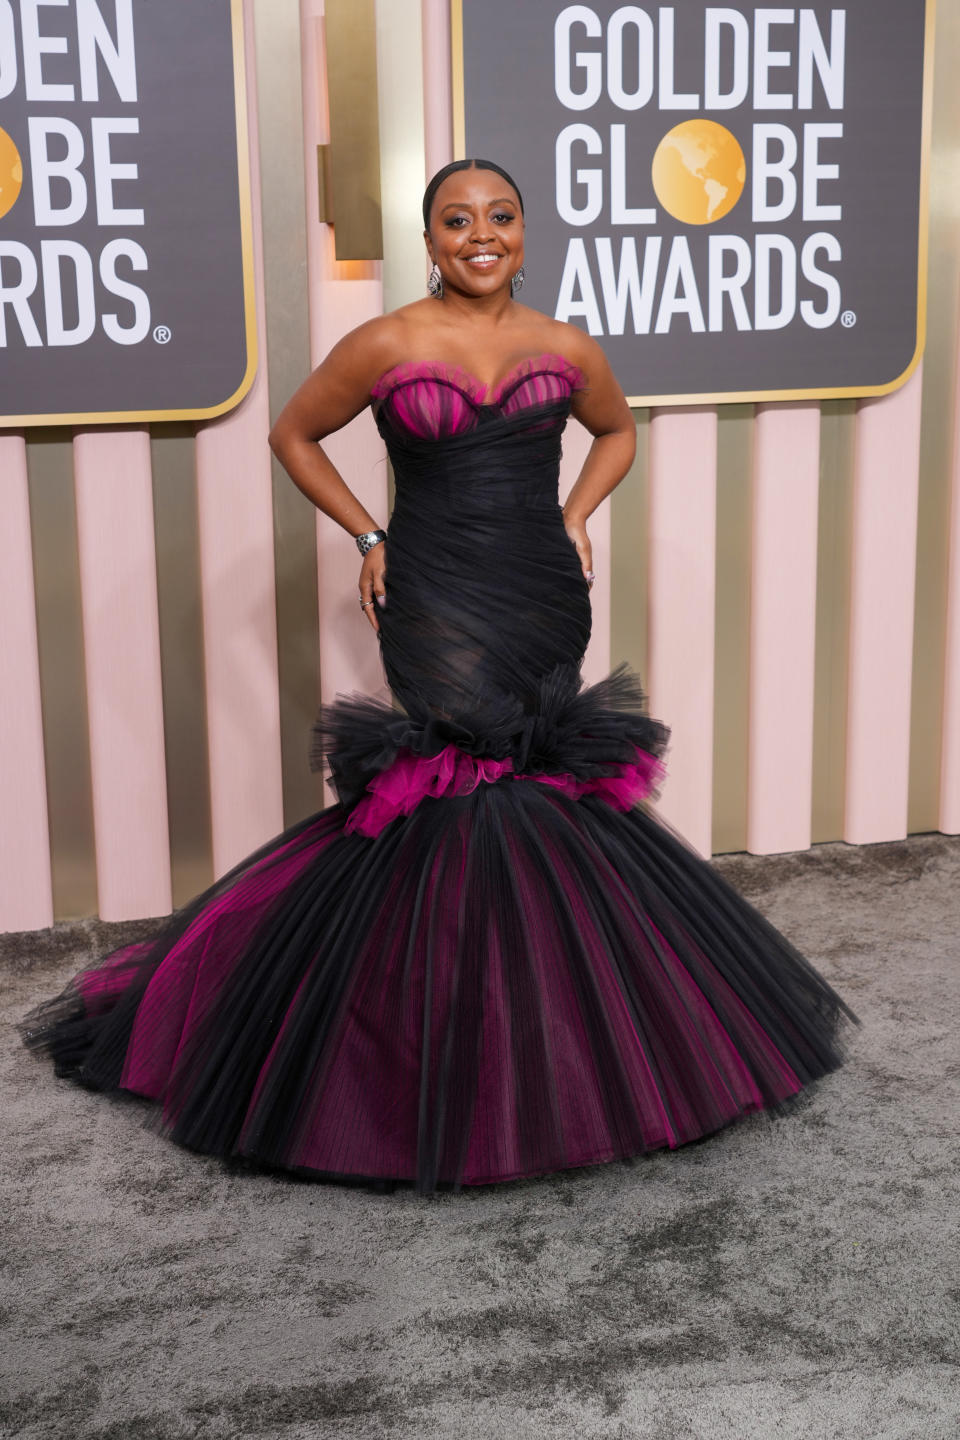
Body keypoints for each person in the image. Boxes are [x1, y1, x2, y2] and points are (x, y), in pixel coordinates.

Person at [19, 159, 858, 1195]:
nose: (481, 235)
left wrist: (577, 514)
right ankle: (439, 1062)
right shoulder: (384, 343)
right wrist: (368, 532)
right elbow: (292, 433)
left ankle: (556, 1045)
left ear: (525, 231)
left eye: (500, 217)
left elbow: (616, 429)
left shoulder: (563, 343)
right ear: (429, 241)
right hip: (432, 587)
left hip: (540, 586)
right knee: (458, 781)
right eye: (456, 220)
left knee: (539, 784)